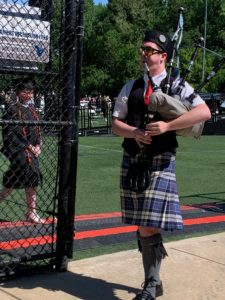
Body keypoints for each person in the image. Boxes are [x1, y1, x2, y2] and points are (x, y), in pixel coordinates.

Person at [112, 29, 211, 300]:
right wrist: (133, 132)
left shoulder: (176, 84)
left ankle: (151, 284)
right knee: (143, 222)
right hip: (132, 158)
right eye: (142, 49)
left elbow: (203, 112)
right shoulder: (131, 86)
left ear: (162, 56)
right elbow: (115, 124)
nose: (143, 55)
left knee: (147, 223)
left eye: (149, 50)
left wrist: (168, 124)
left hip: (160, 159)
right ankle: (154, 281)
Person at [0, 81, 44, 224]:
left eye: (31, 91)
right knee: (28, 175)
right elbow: (12, 135)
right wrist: (29, 146)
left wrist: (39, 145)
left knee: (12, 183)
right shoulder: (12, 110)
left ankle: (31, 212)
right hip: (20, 151)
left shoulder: (32, 110)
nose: (29, 94)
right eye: (25, 91)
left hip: (30, 152)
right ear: (19, 93)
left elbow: (38, 131)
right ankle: (31, 212)